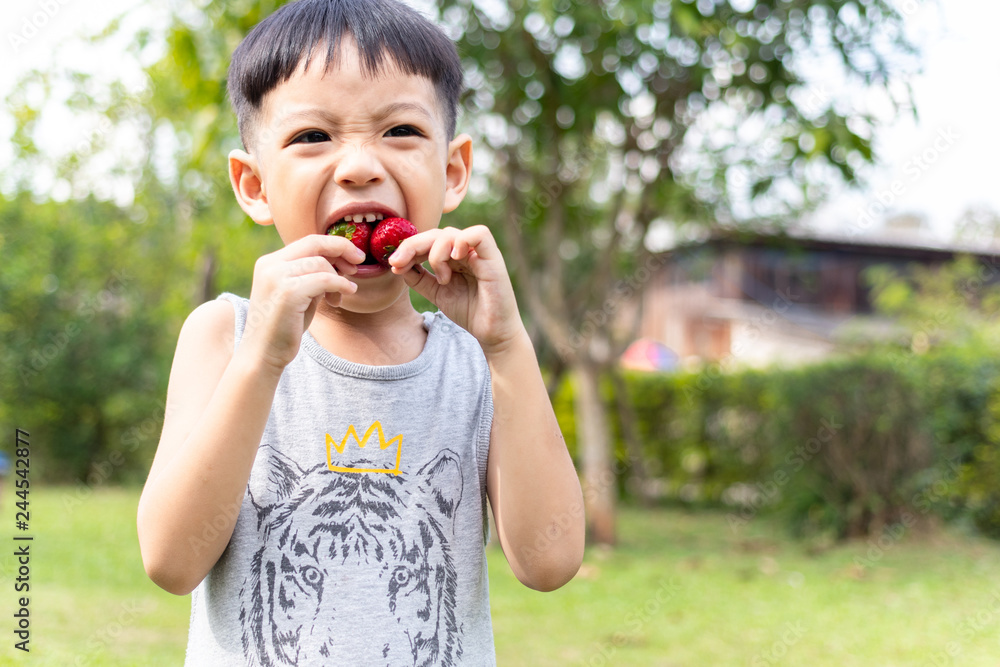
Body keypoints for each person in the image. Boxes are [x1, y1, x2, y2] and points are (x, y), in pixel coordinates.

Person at [135, 0, 585, 664]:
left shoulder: (475, 360)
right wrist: (261, 359)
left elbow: (549, 560)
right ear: (253, 184)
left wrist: (508, 347)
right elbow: (171, 561)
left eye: (400, 129)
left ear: (453, 170)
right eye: (313, 137)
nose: (358, 166)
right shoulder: (223, 336)